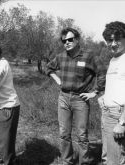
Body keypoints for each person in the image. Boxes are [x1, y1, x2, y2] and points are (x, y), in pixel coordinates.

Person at [45, 27, 106, 165]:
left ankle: (83, 162)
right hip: (63, 98)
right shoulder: (61, 56)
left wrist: (94, 92)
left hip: (80, 100)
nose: (67, 42)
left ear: (77, 40)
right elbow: (48, 68)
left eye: (70, 39)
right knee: (64, 133)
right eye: (64, 40)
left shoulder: (89, 56)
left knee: (82, 135)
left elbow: (102, 73)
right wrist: (58, 80)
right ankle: (67, 161)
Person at [98, 21, 125, 165]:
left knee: (116, 160)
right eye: (109, 40)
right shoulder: (114, 59)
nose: (113, 44)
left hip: (119, 115)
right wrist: (104, 97)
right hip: (107, 113)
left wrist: (122, 122)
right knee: (108, 157)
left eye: (117, 40)